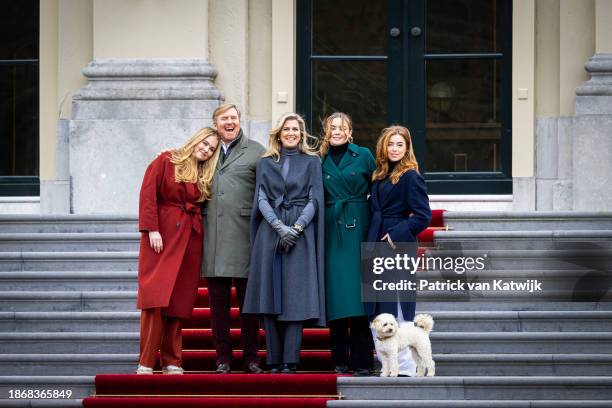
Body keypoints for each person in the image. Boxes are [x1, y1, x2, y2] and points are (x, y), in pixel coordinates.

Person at [243, 113, 326, 374]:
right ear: (278, 134)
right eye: (286, 129)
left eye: (296, 129)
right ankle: (273, 360)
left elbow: (315, 199)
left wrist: (297, 228)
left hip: (301, 233)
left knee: (296, 295)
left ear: (301, 134)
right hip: (270, 232)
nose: (291, 133)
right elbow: (262, 198)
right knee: (270, 292)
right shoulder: (266, 162)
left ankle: (291, 360)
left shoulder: (312, 162)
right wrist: (279, 227)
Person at [136, 127, 220, 375]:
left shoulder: (205, 173)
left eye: (211, 149)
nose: (206, 149)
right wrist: (152, 229)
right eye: (204, 144)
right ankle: (147, 362)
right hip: (161, 237)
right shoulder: (166, 160)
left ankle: (172, 360)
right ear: (195, 140)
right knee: (155, 299)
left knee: (178, 302)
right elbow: (147, 195)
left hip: (190, 238)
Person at [202, 103, 266, 374]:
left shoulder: (256, 151)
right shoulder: (206, 148)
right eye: (224, 119)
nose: (230, 123)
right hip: (213, 237)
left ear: (240, 121)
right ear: (216, 123)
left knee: (248, 306)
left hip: (245, 236)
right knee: (218, 307)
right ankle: (223, 358)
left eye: (234, 118)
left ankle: (252, 356)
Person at [366, 125, 431, 377]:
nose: (394, 149)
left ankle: (405, 366)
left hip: (397, 245)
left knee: (397, 303)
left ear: (407, 148)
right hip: (375, 244)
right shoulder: (379, 174)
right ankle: (386, 363)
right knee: (377, 302)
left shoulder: (411, 176)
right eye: (390, 144)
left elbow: (423, 216)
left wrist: (396, 235)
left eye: (399, 145)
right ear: (384, 147)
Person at [319, 113, 376, 376]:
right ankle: (339, 358)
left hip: (359, 223)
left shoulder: (363, 154)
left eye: (342, 127)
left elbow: (377, 189)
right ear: (326, 131)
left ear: (350, 130)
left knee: (360, 293)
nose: (337, 131)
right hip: (331, 227)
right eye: (333, 127)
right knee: (337, 295)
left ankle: (363, 359)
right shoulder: (318, 158)